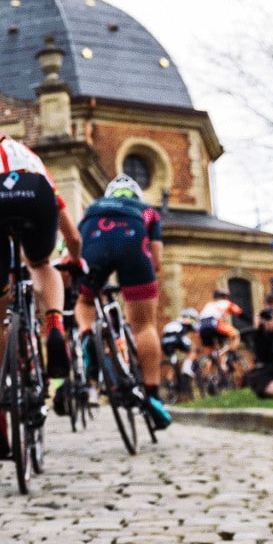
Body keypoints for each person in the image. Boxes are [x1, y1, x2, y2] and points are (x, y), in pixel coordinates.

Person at [0, 129, 81, 459]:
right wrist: (74, 259)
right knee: (40, 263)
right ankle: (54, 325)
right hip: (34, 193)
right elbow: (72, 236)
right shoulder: (30, 157)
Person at [74, 174, 172, 429]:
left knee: (85, 301)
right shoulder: (147, 210)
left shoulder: (93, 207)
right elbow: (157, 262)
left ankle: (87, 337)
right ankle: (152, 396)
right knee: (144, 326)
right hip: (134, 239)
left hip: (95, 235)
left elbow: (73, 245)